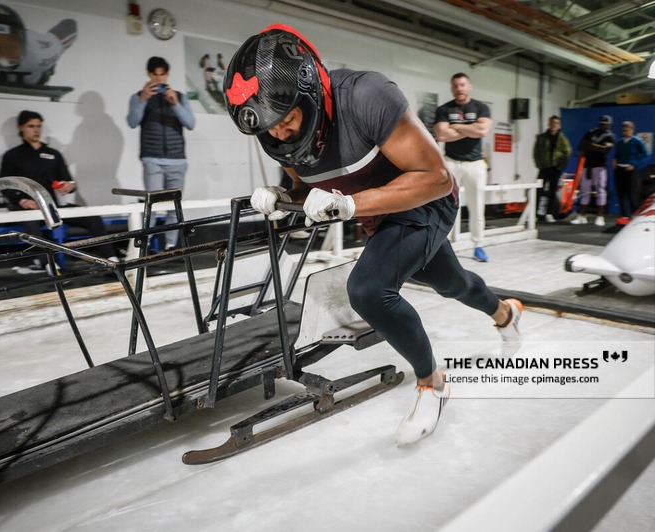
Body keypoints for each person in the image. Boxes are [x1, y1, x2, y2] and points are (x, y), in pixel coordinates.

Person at [223, 25, 522, 446]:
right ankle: (506, 313)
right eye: (268, 128)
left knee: (368, 289)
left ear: (309, 95)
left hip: (425, 201)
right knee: (450, 283)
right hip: (378, 214)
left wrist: (350, 206)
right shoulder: (281, 131)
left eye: (287, 120)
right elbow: (309, 185)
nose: (280, 135)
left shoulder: (366, 96)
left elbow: (435, 178)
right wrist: (284, 196)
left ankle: (432, 383)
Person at [0, 110, 118, 265]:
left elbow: (69, 181)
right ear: (21, 128)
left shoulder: (53, 153)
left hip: (53, 206)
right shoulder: (12, 155)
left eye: (38, 126)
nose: (36, 130)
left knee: (93, 218)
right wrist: (22, 201)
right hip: (30, 209)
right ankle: (50, 266)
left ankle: (110, 259)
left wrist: (70, 186)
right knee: (32, 225)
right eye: (31, 126)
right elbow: (4, 185)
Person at [126, 56, 195, 251]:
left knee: (175, 205)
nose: (159, 79)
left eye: (162, 75)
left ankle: (171, 246)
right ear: (149, 74)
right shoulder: (138, 96)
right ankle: (146, 247)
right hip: (152, 158)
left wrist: (175, 104)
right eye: (155, 75)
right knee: (153, 206)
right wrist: (142, 100)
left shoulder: (179, 97)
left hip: (177, 159)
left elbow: (190, 123)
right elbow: (132, 122)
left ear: (167, 74)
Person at [434, 73, 493, 262]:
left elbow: (483, 130)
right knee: (446, 205)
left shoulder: (481, 107)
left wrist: (456, 127)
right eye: (456, 86)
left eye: (462, 85)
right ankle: (443, 245)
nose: (459, 88)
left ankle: (478, 245)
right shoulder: (444, 109)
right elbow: (442, 135)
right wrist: (470, 128)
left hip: (475, 163)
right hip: (451, 162)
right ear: (452, 88)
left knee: (477, 206)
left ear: (469, 86)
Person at [571, 115, 615, 226]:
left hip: (600, 166)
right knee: (584, 191)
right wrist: (597, 147)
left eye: (605, 124)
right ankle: (582, 216)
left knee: (601, 191)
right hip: (587, 166)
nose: (603, 125)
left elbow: (605, 150)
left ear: (609, 125)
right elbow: (580, 146)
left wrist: (590, 145)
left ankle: (600, 217)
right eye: (601, 123)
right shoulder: (591, 132)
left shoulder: (610, 136)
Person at [533, 115, 572, 222]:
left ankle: (549, 213)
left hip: (555, 169)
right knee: (538, 190)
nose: (554, 125)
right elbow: (536, 152)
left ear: (559, 125)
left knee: (552, 191)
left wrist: (561, 165)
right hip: (544, 168)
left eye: (556, 123)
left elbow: (568, 152)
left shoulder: (563, 138)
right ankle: (536, 213)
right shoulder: (542, 137)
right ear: (549, 124)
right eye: (552, 123)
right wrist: (539, 164)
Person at [612, 121, 649, 219]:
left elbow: (646, 155)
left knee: (632, 193)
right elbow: (617, 154)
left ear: (632, 130)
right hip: (619, 170)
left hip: (631, 171)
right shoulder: (620, 142)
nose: (625, 132)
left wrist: (634, 164)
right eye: (623, 130)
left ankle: (634, 214)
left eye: (627, 130)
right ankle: (624, 215)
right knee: (620, 193)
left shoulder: (637, 141)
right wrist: (614, 159)